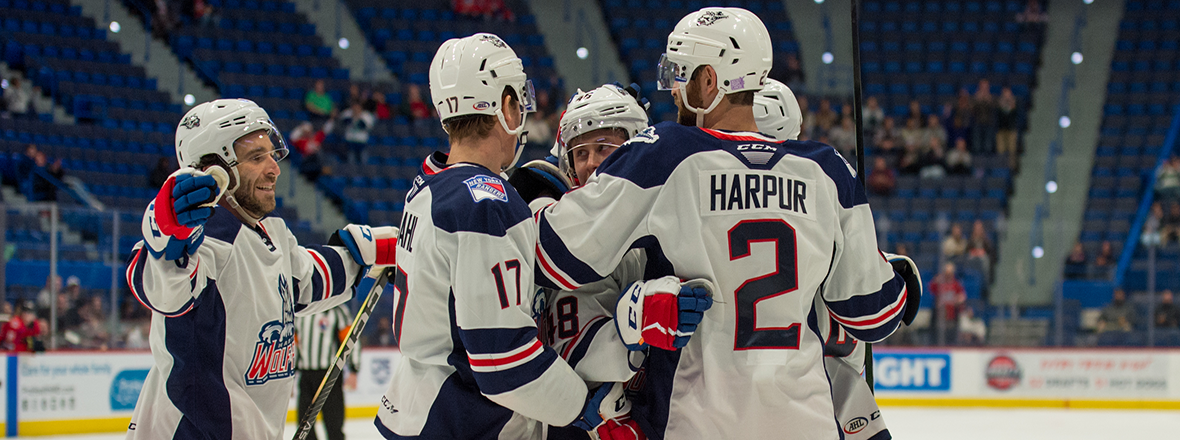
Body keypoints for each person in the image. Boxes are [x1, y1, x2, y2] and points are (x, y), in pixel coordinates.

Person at [531, 8, 920, 438]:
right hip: (805, 422)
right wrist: (901, 280)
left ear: (709, 82)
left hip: (697, 421)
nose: (674, 91)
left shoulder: (667, 154)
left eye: (681, 74)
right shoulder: (828, 171)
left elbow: (554, 256)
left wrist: (534, 193)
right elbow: (874, 317)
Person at [373, 34, 639, 440]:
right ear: (505, 106)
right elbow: (504, 362)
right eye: (519, 99)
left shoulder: (428, 184)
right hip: (465, 420)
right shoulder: (487, 203)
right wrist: (581, 406)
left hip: (419, 406)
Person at [125, 99, 396, 440]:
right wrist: (167, 232)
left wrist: (379, 250)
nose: (275, 168)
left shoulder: (270, 234)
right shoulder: (204, 244)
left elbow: (309, 279)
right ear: (214, 172)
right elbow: (160, 283)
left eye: (271, 153)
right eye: (257, 157)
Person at [295, 305, 360, 440]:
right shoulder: (299, 311)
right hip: (306, 376)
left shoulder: (337, 310)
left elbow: (350, 339)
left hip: (330, 376)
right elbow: (293, 343)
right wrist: (289, 376)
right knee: (304, 427)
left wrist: (354, 369)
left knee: (334, 425)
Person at [929, 262, 966, 345]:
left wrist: (956, 300)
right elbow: (930, 289)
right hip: (940, 314)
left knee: (951, 332)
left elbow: (962, 296)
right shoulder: (940, 283)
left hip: (952, 314)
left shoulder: (956, 284)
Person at [995, 87, 1019, 168]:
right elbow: (998, 117)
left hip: (1011, 129)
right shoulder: (999, 105)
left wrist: (1012, 106)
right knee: (1001, 150)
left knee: (1012, 150)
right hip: (1001, 130)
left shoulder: (1014, 104)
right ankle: (1001, 167)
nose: (1006, 96)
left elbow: (1016, 116)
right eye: (1005, 94)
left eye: (1008, 94)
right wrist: (1001, 106)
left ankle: (1012, 168)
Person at [971, 79, 997, 153]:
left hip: (989, 122)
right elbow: (972, 110)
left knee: (988, 144)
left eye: (986, 86)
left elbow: (994, 109)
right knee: (977, 144)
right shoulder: (975, 97)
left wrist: (989, 100)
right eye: (982, 86)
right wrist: (977, 100)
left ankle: (987, 156)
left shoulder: (992, 97)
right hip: (977, 122)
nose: (984, 88)